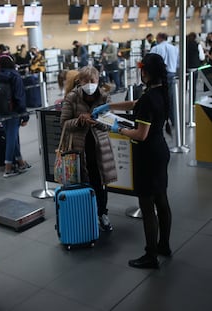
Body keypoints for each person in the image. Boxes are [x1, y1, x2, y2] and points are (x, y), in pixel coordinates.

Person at [92, 53, 172, 269]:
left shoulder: (149, 98)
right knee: (162, 200)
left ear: (145, 72)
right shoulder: (161, 91)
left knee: (147, 206)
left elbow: (140, 134)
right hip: (161, 151)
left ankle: (151, 255)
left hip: (147, 156)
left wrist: (119, 129)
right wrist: (109, 107)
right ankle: (164, 245)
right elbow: (136, 103)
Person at [60, 65, 117, 231]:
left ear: (98, 81)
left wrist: (98, 122)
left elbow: (110, 124)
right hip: (78, 148)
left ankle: (102, 213)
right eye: (86, 80)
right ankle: (84, 215)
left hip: (100, 148)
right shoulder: (71, 98)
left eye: (93, 80)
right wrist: (79, 121)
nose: (89, 84)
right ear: (80, 81)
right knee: (81, 183)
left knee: (100, 182)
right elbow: (63, 124)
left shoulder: (105, 97)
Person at [0, 55, 31, 177]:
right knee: (11, 137)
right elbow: (19, 97)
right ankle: (8, 168)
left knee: (11, 136)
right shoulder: (15, 75)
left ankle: (20, 162)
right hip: (13, 111)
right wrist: (24, 115)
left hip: (0, 110)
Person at [150, 32, 179, 125]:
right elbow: (178, 62)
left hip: (160, 76)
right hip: (172, 74)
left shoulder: (156, 48)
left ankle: (159, 121)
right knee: (171, 99)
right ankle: (174, 121)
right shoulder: (175, 48)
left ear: (159, 38)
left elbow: (149, 62)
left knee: (158, 98)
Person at [186, 32, 205, 105]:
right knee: (193, 85)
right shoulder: (197, 45)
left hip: (186, 67)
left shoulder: (184, 45)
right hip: (194, 67)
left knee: (185, 85)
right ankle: (192, 101)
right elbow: (202, 57)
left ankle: (183, 99)